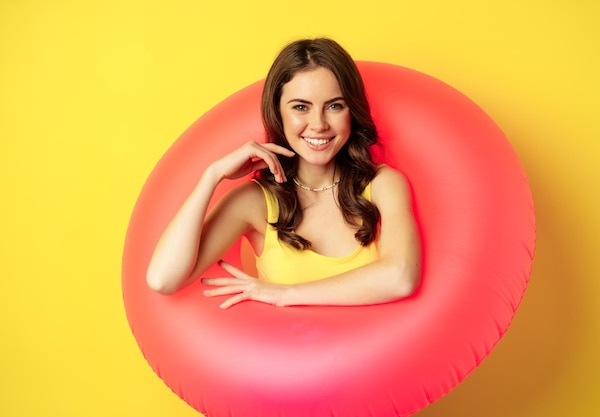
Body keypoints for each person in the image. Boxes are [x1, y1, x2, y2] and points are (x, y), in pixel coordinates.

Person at [146, 38, 421, 309]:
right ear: (278, 112)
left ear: (352, 111)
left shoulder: (383, 184)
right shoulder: (254, 203)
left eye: (335, 106)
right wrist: (212, 175)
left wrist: (284, 294)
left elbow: (400, 277)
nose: (318, 124)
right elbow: (162, 280)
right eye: (301, 107)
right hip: (286, 354)